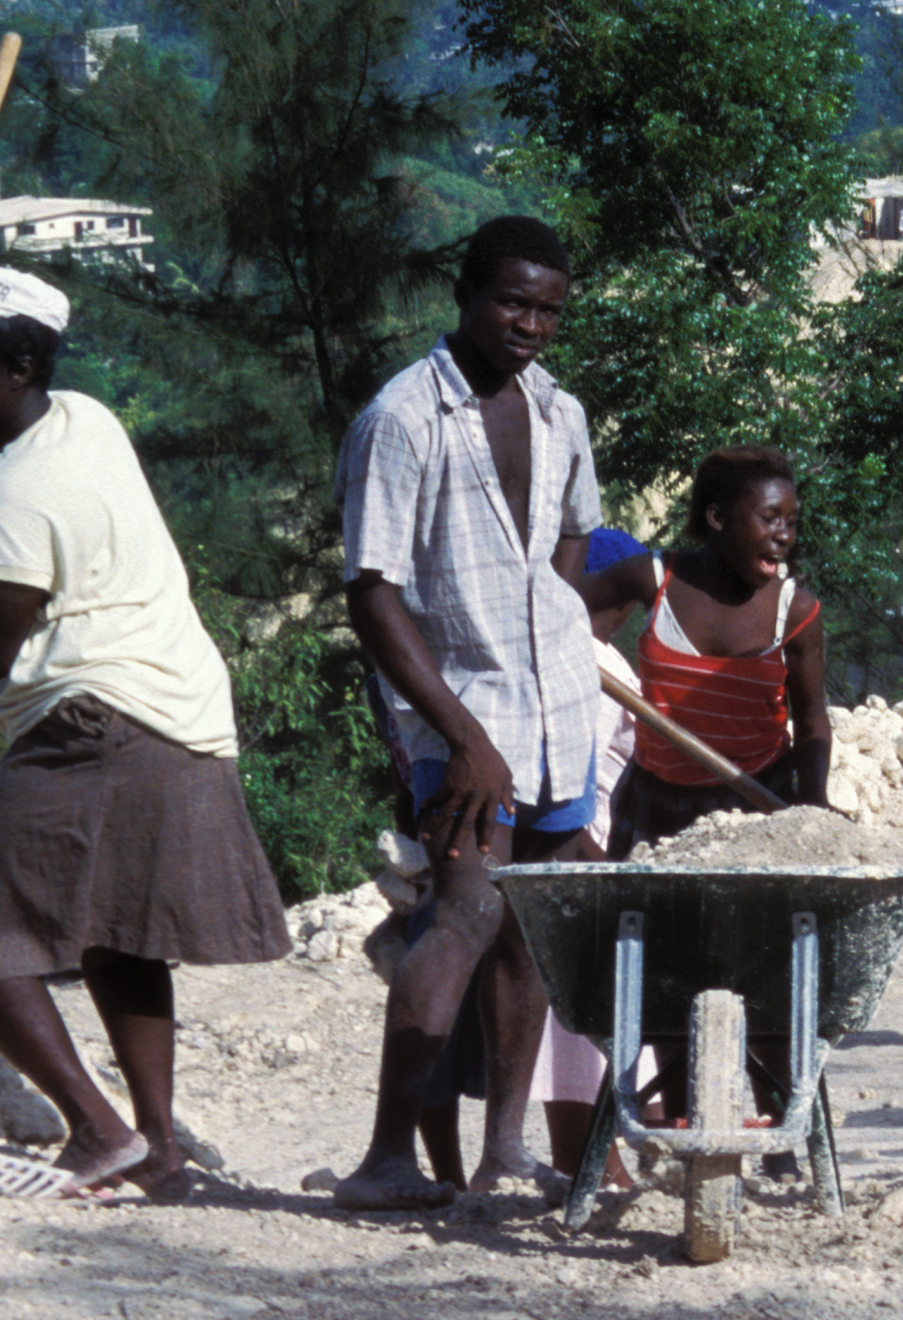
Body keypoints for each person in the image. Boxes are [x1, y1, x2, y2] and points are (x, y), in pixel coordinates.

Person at [334, 214, 609, 1210]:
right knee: (459, 918)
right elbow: (373, 593)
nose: (530, 324)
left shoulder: (558, 413)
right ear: (465, 294)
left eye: (547, 309)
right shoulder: (404, 419)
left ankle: (504, 1151)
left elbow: (575, 540)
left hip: (557, 713)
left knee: (526, 931)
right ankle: (384, 1161)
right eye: (511, 302)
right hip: (462, 720)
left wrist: (560, 629)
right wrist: (460, 734)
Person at [0, 270, 289, 1195]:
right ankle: (156, 1142)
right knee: (118, 935)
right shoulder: (86, 419)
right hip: (179, 705)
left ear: (17, 365)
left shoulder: (16, 492)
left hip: (88, 714)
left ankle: (96, 1128)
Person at [612, 447, 832, 854]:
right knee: (645, 919)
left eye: (791, 522)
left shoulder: (797, 612)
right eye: (769, 518)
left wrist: (813, 803)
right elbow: (562, 610)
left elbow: (812, 719)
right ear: (717, 518)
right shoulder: (654, 577)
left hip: (757, 804)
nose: (784, 535)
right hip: (654, 804)